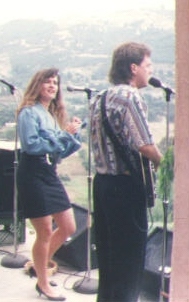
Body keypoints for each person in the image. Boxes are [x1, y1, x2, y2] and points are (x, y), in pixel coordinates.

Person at [89, 42, 162, 302]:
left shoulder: (100, 97)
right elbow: (144, 144)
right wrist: (163, 163)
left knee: (109, 263)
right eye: (147, 65)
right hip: (125, 188)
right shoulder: (129, 96)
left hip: (103, 185)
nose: (150, 70)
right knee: (129, 263)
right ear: (133, 68)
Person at [15, 68, 82, 301]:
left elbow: (59, 151)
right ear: (37, 86)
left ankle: (38, 266)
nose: (53, 86)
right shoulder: (28, 113)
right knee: (43, 231)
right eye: (47, 82)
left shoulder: (50, 114)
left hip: (49, 173)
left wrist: (74, 135)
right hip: (32, 173)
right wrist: (63, 134)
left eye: (55, 83)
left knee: (68, 227)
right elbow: (32, 146)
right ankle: (43, 283)